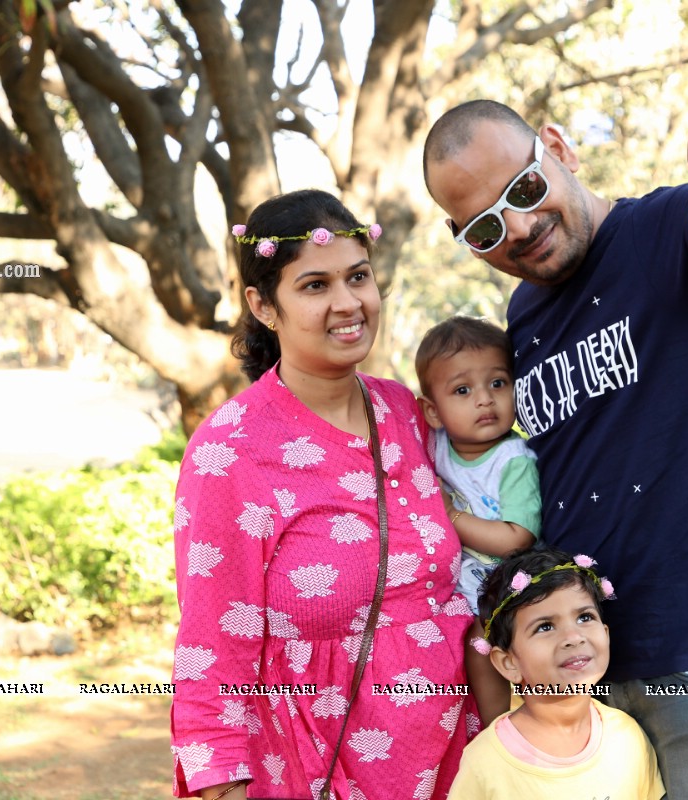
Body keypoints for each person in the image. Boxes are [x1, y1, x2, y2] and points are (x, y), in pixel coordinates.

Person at [422, 98, 688, 798]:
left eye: (524, 189)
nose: (518, 227)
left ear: (558, 146)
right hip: (584, 666)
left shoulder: (667, 228)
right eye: (484, 227)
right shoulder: (524, 316)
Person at [169, 190, 478, 800]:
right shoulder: (230, 451)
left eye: (357, 277)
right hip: (313, 771)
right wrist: (220, 781)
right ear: (263, 305)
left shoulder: (408, 412)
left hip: (457, 765)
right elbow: (211, 644)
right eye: (315, 286)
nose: (347, 303)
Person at [446, 545, 665, 799]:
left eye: (584, 617)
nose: (573, 637)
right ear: (509, 663)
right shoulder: (485, 762)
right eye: (545, 626)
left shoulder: (627, 737)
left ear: (606, 634)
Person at [414, 316, 542, 725]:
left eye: (498, 383)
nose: (485, 400)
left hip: (506, 579)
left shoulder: (513, 460)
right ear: (433, 411)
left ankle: (496, 725)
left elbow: (516, 538)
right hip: (460, 582)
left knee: (481, 642)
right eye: (463, 390)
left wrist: (451, 516)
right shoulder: (435, 446)